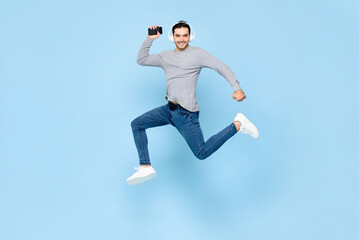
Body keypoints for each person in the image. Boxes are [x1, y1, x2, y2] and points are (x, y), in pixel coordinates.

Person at [126, 21, 259, 185]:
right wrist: (150, 39)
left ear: (190, 36)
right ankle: (145, 166)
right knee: (137, 124)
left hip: (185, 114)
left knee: (201, 152)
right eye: (178, 36)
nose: (181, 39)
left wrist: (236, 87)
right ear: (172, 37)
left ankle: (238, 125)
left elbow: (220, 67)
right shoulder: (165, 57)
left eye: (185, 35)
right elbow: (142, 59)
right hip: (169, 110)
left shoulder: (198, 54)